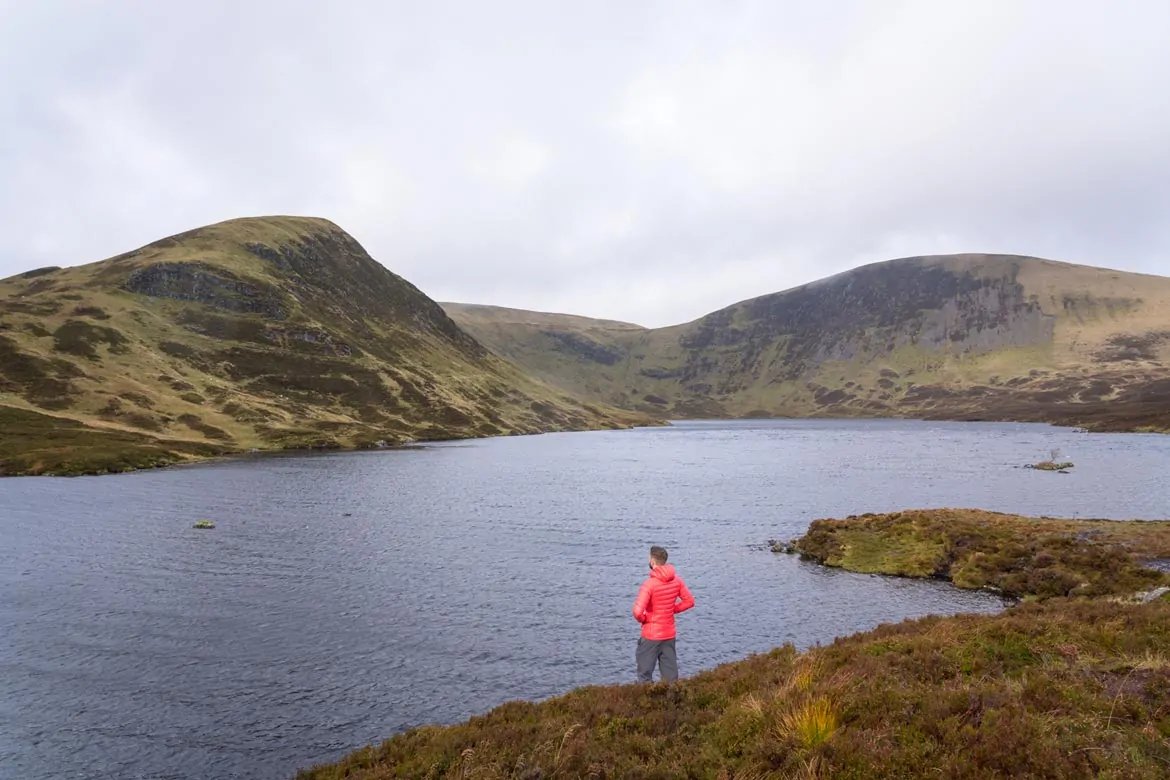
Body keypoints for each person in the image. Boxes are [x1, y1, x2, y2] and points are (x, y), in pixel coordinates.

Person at [631, 545, 695, 683]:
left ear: (652, 561)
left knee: (644, 675)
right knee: (671, 678)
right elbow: (689, 601)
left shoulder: (649, 584)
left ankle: (648, 703)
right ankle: (672, 703)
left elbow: (637, 612)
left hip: (651, 635)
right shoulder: (677, 580)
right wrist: (674, 609)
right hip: (669, 634)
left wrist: (645, 618)